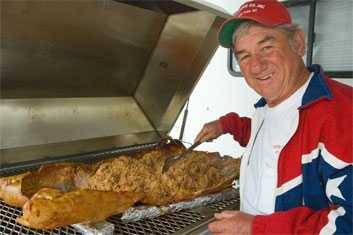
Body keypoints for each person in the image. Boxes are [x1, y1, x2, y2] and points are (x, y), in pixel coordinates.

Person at [194, 0, 352, 234]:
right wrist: (225, 125)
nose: (256, 66)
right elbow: (271, 146)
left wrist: (257, 227)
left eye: (266, 47)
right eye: (244, 56)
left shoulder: (341, 114)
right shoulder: (269, 107)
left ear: (297, 43)